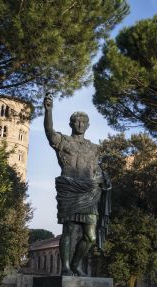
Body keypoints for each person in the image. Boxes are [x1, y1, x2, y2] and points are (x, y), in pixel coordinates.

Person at [43, 93, 111, 276]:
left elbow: (98, 170)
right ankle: (65, 267)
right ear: (71, 124)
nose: (80, 124)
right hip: (69, 190)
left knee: (90, 236)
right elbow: (49, 132)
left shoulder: (94, 148)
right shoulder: (63, 142)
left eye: (83, 122)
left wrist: (104, 179)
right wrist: (48, 111)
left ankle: (76, 265)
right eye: (76, 121)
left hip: (89, 194)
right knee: (68, 230)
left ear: (88, 125)